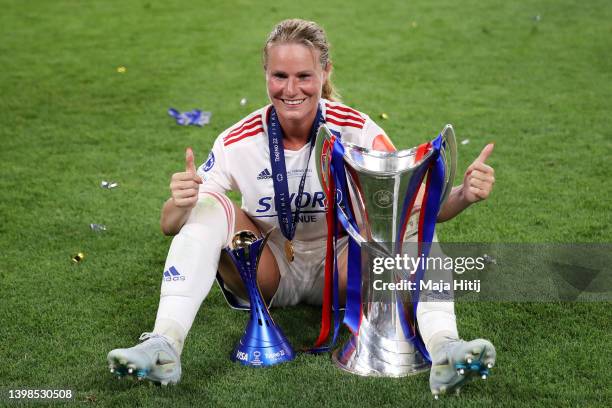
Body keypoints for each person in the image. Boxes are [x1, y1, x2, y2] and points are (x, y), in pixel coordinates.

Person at [107, 18, 497, 398]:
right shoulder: (238, 140)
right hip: (268, 269)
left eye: (303, 76)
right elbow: (169, 225)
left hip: (344, 269)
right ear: (265, 75)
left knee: (405, 226)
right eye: (279, 76)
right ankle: (164, 344)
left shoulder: (357, 131)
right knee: (209, 204)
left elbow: (414, 212)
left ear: (325, 72)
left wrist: (463, 194)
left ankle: (445, 345)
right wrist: (182, 201)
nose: (290, 89)